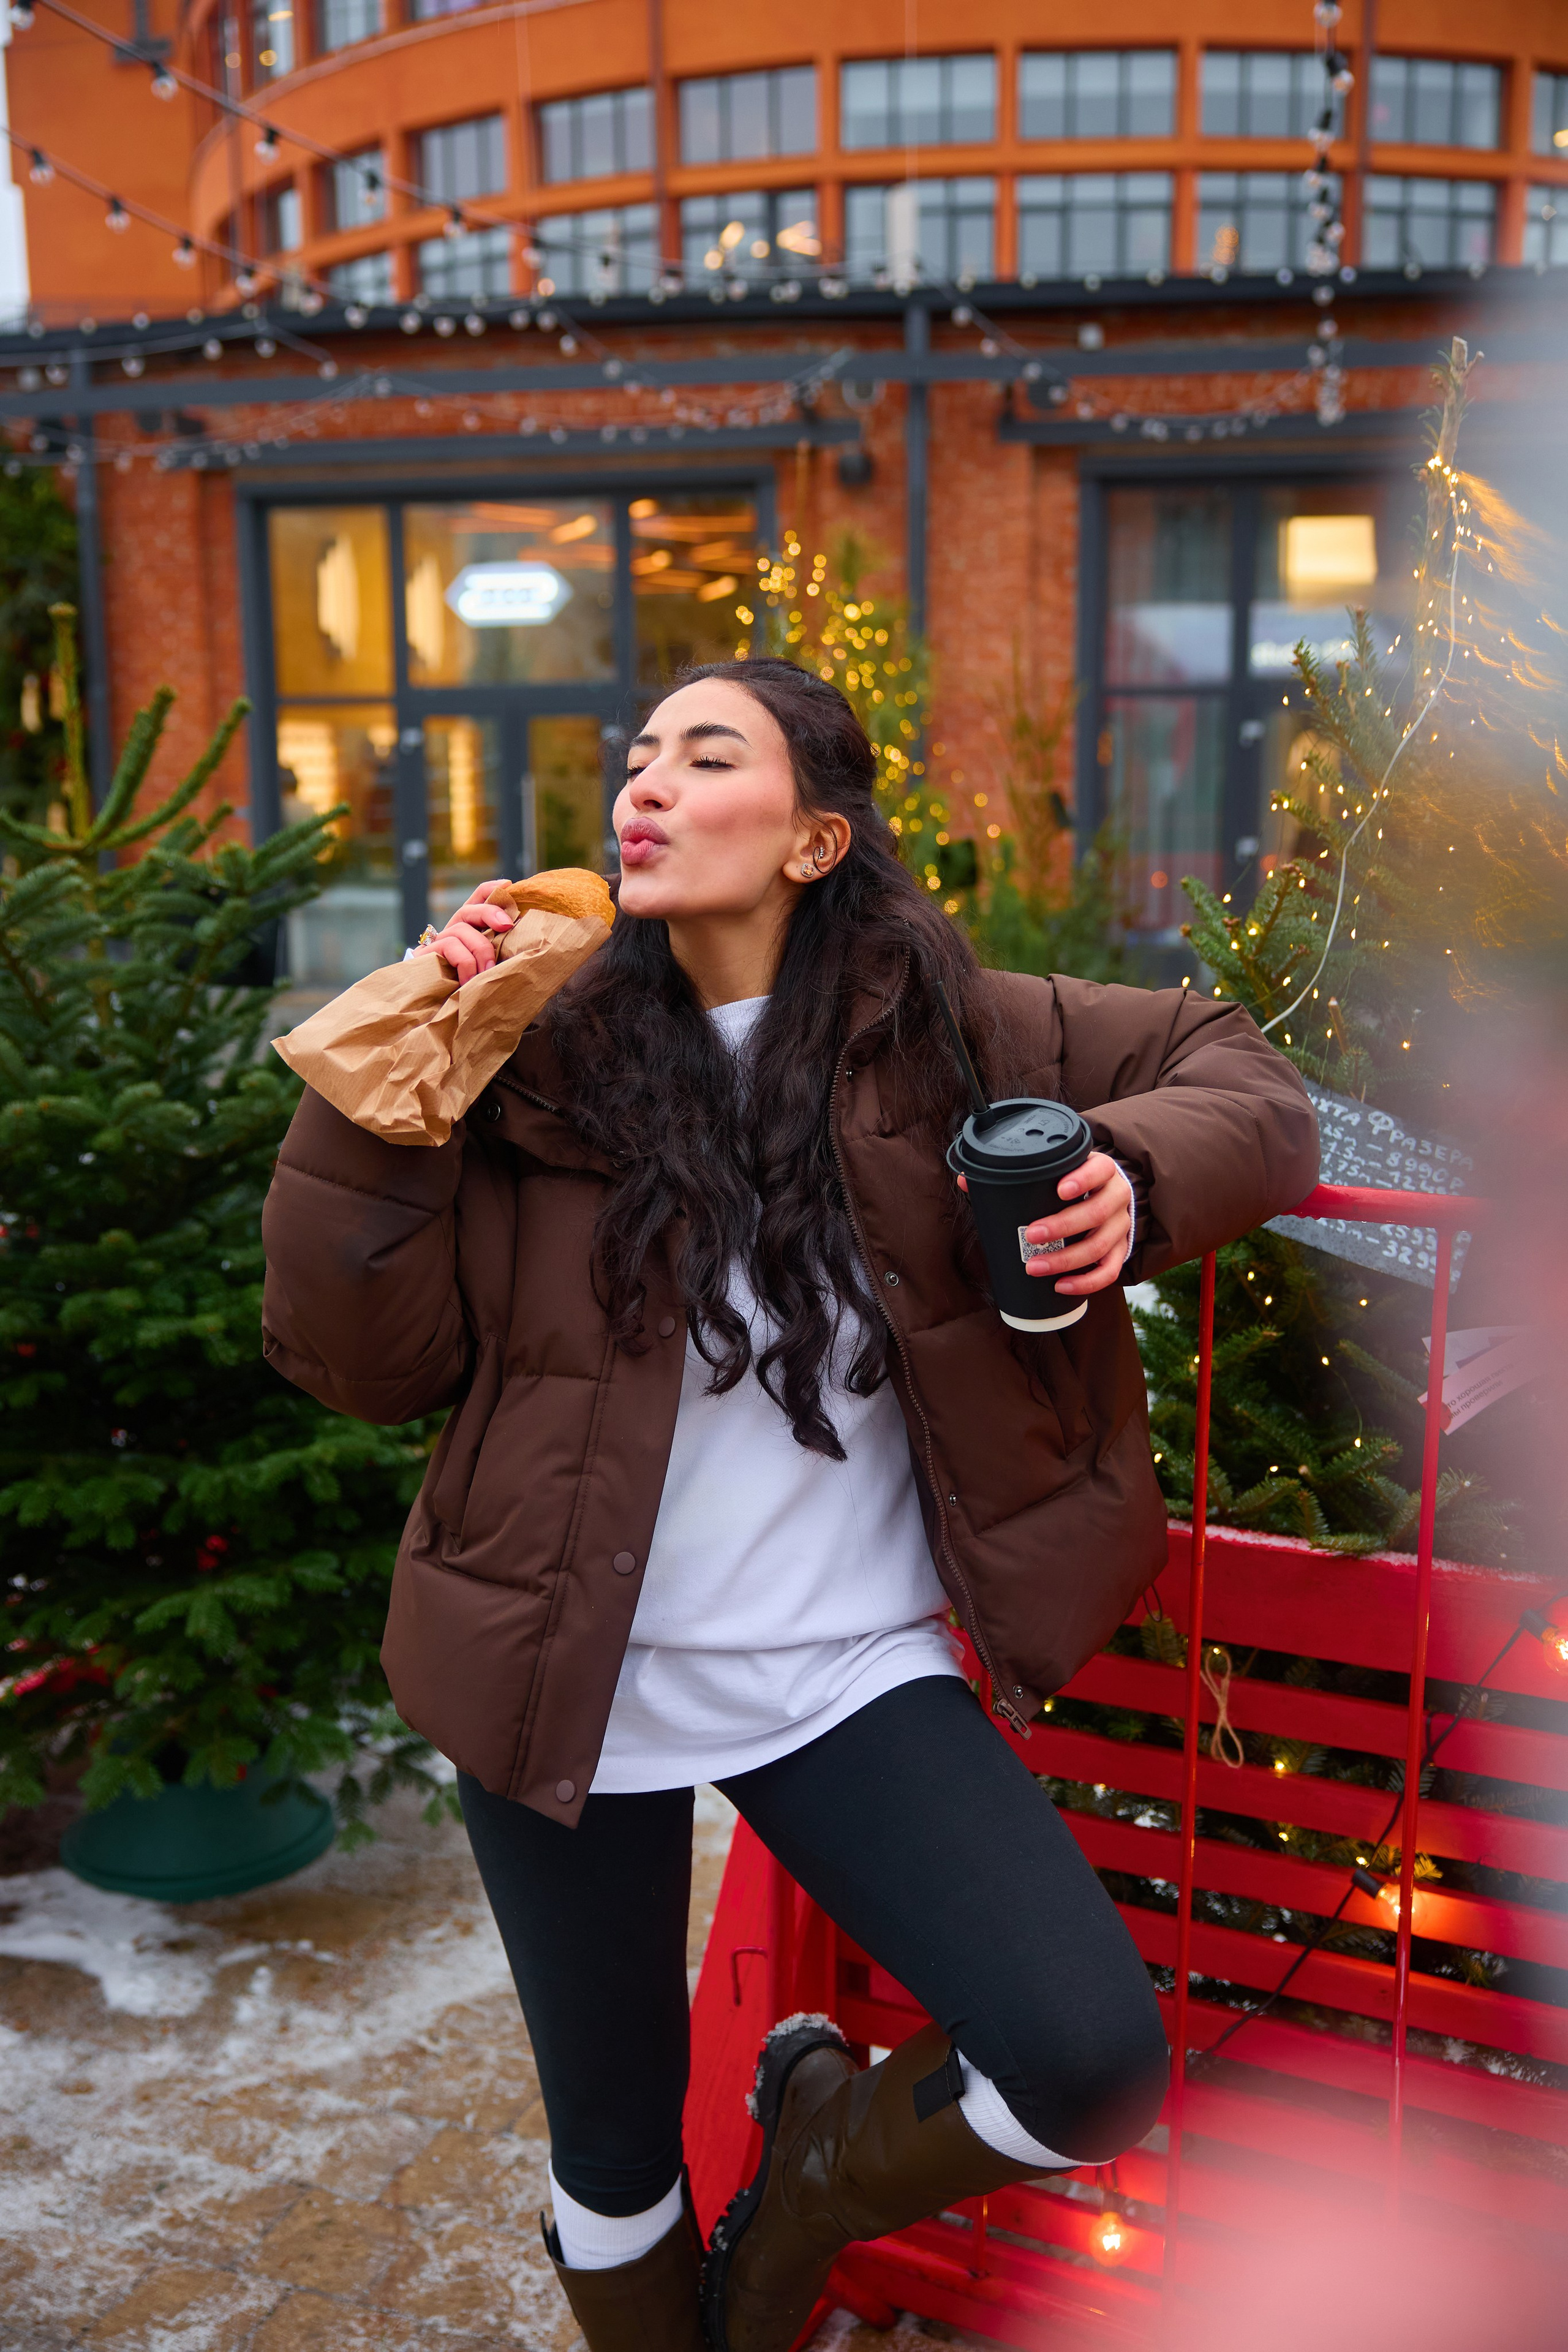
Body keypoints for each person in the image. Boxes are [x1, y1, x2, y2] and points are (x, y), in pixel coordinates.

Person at [262, 658, 1317, 2352]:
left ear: (818, 837)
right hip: (563, 1671)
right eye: (635, 759)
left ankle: (811, 2183)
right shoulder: (529, 1053)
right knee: (612, 2155)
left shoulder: (950, 1029)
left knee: (1086, 2059)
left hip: (845, 1665)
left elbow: (1241, 1078)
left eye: (703, 754)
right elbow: (357, 1359)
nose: (643, 788)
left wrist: (1135, 1167)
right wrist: (398, 1061)